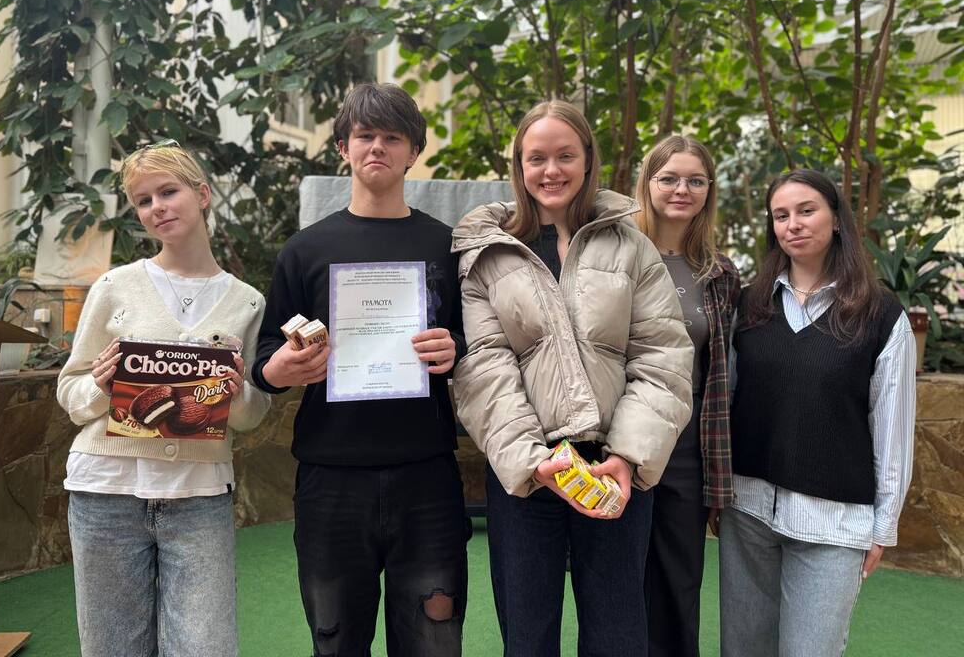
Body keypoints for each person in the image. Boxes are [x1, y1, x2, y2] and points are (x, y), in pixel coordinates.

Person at [452, 100, 693, 657]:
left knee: (617, 634)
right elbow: (483, 367)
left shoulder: (631, 245)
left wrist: (628, 456)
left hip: (613, 470)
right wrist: (533, 462)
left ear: (587, 159)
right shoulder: (486, 252)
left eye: (565, 155)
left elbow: (663, 356)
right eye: (536, 158)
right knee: (527, 635)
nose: (551, 170)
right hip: (528, 474)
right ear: (519, 166)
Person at [252, 83, 469, 657]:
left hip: (427, 472)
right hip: (331, 475)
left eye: (392, 137)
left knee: (434, 638)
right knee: (336, 640)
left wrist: (456, 348)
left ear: (414, 151)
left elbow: (474, 340)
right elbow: (264, 358)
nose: (377, 147)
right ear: (342, 148)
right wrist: (281, 368)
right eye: (365, 135)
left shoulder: (445, 246)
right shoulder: (305, 250)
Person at [57, 142, 271, 656]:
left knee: (206, 647)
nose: (157, 207)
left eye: (168, 191)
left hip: (199, 494)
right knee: (112, 648)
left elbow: (252, 413)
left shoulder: (247, 301)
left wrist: (236, 393)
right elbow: (71, 391)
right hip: (105, 490)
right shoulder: (114, 286)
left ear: (203, 195)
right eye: (143, 200)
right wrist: (101, 386)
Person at [720, 169, 916, 657]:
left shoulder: (881, 315)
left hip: (834, 523)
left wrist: (882, 527)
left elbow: (892, 430)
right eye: (781, 215)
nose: (793, 224)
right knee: (743, 650)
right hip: (748, 512)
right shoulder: (751, 305)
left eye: (806, 210)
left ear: (836, 219)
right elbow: (727, 402)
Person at [634, 135, 740, 657]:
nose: (682, 189)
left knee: (679, 582)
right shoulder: (615, 253)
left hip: (688, 446)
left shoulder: (718, 271)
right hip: (621, 443)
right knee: (619, 579)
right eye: (669, 178)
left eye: (696, 180)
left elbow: (723, 373)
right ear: (647, 183)